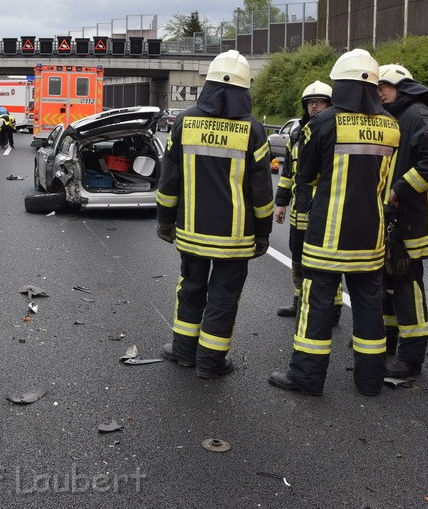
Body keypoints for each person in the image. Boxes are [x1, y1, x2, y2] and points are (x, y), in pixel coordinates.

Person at [269, 49, 400, 397]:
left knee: (316, 307)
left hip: (326, 237)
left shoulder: (323, 124)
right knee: (370, 308)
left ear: (338, 86)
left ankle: (307, 378)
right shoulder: (391, 125)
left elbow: (305, 173)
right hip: (370, 238)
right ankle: (370, 381)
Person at [155, 51, 274, 378]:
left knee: (190, 287)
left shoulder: (185, 122)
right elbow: (261, 191)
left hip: (191, 232)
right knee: (223, 297)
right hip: (234, 239)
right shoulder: (253, 131)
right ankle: (210, 363)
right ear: (244, 88)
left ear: (207, 85)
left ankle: (182, 352)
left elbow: (169, 180)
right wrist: (263, 232)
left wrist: (165, 220)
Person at [377, 64, 428, 378]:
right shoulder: (395, 116)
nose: (378, 91)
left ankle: (411, 359)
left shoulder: (416, 115)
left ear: (400, 87)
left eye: (383, 86)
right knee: (388, 284)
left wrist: (402, 187)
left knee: (408, 287)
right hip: (392, 219)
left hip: (408, 222)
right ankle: (390, 343)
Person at [273, 81, 335, 319]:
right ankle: (299, 301)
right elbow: (288, 173)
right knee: (297, 258)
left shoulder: (334, 133)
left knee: (325, 264)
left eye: (320, 102)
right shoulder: (298, 135)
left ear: (330, 105)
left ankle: (333, 309)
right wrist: (281, 203)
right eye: (310, 103)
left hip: (323, 212)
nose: (314, 107)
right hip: (299, 212)